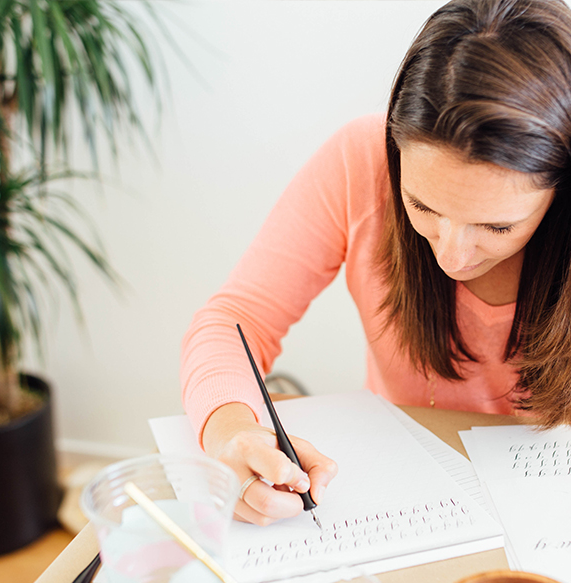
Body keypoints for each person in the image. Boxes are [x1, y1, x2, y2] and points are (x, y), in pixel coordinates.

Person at [180, 0, 571, 527]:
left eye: (498, 227)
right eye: (422, 206)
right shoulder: (359, 161)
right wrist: (232, 431)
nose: (452, 256)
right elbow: (235, 320)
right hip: (394, 498)